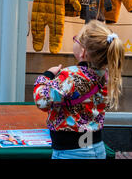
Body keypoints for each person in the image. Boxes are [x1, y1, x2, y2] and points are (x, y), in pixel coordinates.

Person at [33, 20, 124, 159]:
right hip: (97, 147)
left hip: (71, 151)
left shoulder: (69, 75)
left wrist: (47, 75)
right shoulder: (106, 76)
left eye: (76, 39)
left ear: (83, 52)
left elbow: (41, 101)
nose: (74, 41)